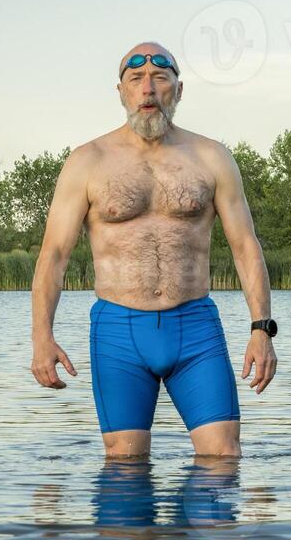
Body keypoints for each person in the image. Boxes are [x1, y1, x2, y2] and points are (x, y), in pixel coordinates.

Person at [29, 42, 278, 460]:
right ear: (121, 92)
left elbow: (245, 245)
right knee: (125, 466)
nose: (148, 89)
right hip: (118, 331)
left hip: (195, 327)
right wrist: (42, 337)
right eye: (136, 79)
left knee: (223, 457)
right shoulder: (87, 161)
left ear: (178, 91)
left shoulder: (211, 157)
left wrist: (261, 330)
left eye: (161, 79)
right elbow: (54, 254)